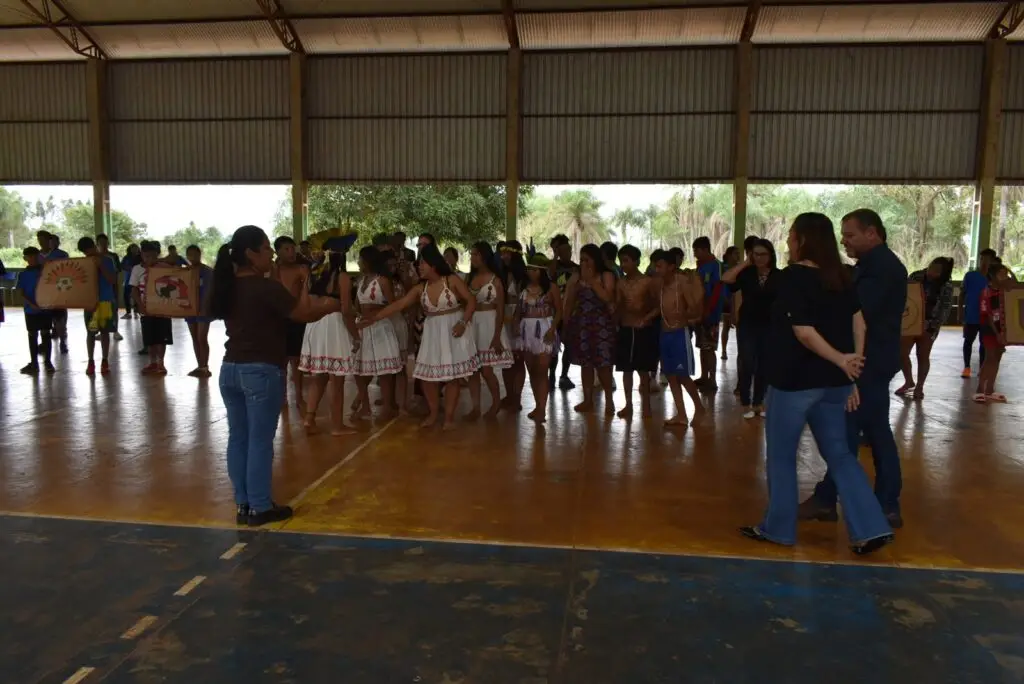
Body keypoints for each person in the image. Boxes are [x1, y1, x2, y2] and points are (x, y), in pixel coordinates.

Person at [740, 212, 894, 555]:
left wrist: (843, 362)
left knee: (781, 457)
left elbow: (804, 332)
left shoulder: (793, 279)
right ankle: (869, 527)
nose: (788, 242)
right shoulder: (842, 276)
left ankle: (778, 529)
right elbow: (859, 325)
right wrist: (849, 368)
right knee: (839, 453)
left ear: (804, 240)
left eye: (792, 236)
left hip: (794, 383)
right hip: (833, 385)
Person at [213, 225, 341, 526]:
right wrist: (330, 306)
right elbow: (302, 314)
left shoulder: (228, 286)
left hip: (230, 369)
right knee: (259, 440)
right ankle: (260, 506)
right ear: (251, 253)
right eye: (266, 247)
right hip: (259, 370)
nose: (271, 252)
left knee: (239, 438)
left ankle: (244, 503)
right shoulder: (265, 288)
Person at [800, 208, 908, 529]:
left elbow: (857, 313)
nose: (844, 241)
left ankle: (881, 502)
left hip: (868, 363)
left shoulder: (882, 268)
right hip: (867, 361)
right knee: (864, 431)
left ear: (872, 233)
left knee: (860, 431)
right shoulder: (870, 266)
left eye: (850, 235)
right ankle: (844, 499)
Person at [359, 243, 480, 430]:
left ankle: (448, 417)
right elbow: (399, 305)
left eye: (422, 264)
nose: (419, 267)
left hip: (453, 330)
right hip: (431, 331)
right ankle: (433, 414)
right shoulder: (419, 288)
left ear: (433, 264)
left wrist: (463, 322)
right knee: (426, 377)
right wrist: (375, 317)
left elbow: (471, 300)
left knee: (453, 378)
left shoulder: (452, 280)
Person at [299, 248, 359, 435]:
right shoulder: (342, 277)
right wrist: (355, 335)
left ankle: (309, 418)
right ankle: (336, 425)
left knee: (319, 376)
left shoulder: (315, 274)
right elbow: (347, 310)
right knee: (337, 379)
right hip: (333, 324)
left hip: (314, 323)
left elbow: (305, 303)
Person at [722, 239, 780, 419]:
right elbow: (726, 279)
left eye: (764, 254)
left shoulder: (779, 275)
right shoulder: (746, 274)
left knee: (764, 363)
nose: (760, 258)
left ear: (771, 255)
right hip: (747, 323)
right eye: (756, 254)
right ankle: (745, 402)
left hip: (769, 325)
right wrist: (746, 263)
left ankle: (758, 402)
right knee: (747, 361)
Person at [564, 243, 617, 415]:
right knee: (585, 364)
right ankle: (587, 400)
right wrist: (566, 323)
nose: (583, 263)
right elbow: (569, 301)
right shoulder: (576, 277)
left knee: (603, 365)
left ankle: (609, 400)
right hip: (581, 324)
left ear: (595, 260)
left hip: (602, 325)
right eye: (581, 260)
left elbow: (607, 297)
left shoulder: (606, 275)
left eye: (587, 259)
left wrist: (593, 281)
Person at [653, 250, 704, 427]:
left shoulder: (681, 282)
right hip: (665, 334)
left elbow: (694, 307)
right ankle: (681, 415)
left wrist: (687, 318)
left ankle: (699, 408)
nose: (656, 269)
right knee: (671, 376)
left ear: (671, 267)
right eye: (655, 266)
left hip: (679, 335)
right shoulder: (660, 284)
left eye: (660, 266)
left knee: (683, 376)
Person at [353, 246, 405, 419]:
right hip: (363, 327)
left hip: (381, 326)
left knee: (384, 371)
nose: (358, 262)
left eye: (360, 259)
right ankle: (365, 407)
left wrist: (376, 312)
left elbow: (393, 305)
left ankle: (388, 407)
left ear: (368, 260)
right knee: (359, 370)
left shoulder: (383, 280)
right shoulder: (361, 280)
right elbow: (356, 305)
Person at [465, 242, 514, 419]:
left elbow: (500, 310)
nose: (472, 258)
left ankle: (496, 402)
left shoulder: (496, 280)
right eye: (471, 255)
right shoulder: (469, 278)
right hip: (473, 323)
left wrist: (496, 336)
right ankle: (475, 407)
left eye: (476, 254)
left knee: (486, 370)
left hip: (489, 323)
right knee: (472, 370)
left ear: (484, 256)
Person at [512, 254, 563, 423]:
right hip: (526, 331)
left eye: (534, 269)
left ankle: (542, 408)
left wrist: (552, 328)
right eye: (529, 269)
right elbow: (518, 311)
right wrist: (515, 326)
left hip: (544, 329)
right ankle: (538, 406)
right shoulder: (523, 287)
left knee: (542, 370)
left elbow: (559, 311)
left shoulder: (552, 288)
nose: (530, 272)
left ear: (541, 271)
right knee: (532, 369)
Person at [896, 256, 954, 400]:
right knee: (902, 353)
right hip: (911, 321)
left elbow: (945, 309)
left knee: (922, 356)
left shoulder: (946, 286)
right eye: (931, 267)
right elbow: (905, 296)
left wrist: (933, 326)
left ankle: (919, 387)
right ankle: (908, 380)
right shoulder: (916, 276)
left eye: (936, 270)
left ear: (943, 273)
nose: (931, 272)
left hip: (930, 326)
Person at [614, 244, 659, 418]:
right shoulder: (620, 282)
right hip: (625, 328)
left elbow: (657, 306)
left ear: (637, 261)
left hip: (643, 330)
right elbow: (618, 306)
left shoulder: (648, 282)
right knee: (626, 370)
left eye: (626, 261)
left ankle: (646, 406)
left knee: (643, 370)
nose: (623, 265)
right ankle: (628, 404)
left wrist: (645, 319)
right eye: (621, 261)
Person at [273, 236, 309, 408]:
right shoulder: (273, 270)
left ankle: (299, 397)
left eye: (292, 248)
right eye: (286, 249)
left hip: (296, 317)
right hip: (277, 318)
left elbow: (307, 294)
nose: (291, 252)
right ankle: (282, 396)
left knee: (296, 360)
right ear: (277, 252)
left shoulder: (302, 269)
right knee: (280, 360)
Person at [974, 261, 1014, 404]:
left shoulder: (1004, 291)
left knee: (997, 357)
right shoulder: (986, 292)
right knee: (990, 358)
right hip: (989, 329)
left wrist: (1009, 271)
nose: (1005, 277)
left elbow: (1016, 285)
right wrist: (997, 333)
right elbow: (989, 315)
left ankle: (990, 389)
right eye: (1001, 274)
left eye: (1006, 274)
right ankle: (979, 389)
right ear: (992, 276)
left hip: (1002, 329)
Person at [131, 241, 173, 375]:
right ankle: (152, 362)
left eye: (153, 256)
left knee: (162, 337)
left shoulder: (164, 268)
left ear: (157, 255)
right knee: (149, 338)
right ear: (142, 255)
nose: (150, 259)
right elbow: (134, 290)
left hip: (163, 310)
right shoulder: (137, 269)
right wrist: (140, 306)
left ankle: (161, 363)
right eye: (147, 256)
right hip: (146, 310)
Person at [77, 237, 117, 376]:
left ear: (94, 246)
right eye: (85, 252)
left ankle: (105, 360)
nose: (89, 254)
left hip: (105, 302)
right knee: (91, 332)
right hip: (90, 303)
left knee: (105, 332)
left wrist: (101, 266)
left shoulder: (107, 260)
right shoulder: (83, 263)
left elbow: (112, 280)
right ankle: (90, 361)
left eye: (90, 250)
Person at [499, 240, 528, 411]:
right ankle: (509, 395)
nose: (503, 256)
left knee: (517, 360)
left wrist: (518, 317)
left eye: (507, 253)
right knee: (506, 360)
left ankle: (516, 397)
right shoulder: (501, 274)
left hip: (518, 319)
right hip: (504, 318)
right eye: (502, 253)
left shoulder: (522, 276)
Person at [692, 236, 724, 390]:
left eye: (697, 251)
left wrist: (708, 310)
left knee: (709, 348)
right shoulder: (700, 266)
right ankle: (704, 376)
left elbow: (717, 289)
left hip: (711, 314)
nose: (695, 254)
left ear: (705, 249)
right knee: (703, 347)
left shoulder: (716, 266)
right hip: (700, 314)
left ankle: (712, 380)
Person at [16, 246, 54, 375]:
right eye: (29, 257)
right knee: (32, 336)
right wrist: (31, 304)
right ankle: (34, 363)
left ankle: (48, 362)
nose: (32, 259)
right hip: (30, 310)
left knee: (46, 335)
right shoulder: (23, 274)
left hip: (45, 309)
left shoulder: (45, 272)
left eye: (35, 256)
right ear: (25, 258)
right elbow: (21, 293)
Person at [960, 248, 996, 378]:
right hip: (971, 314)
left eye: (987, 259)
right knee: (968, 341)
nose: (984, 262)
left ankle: (982, 368)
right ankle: (967, 367)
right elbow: (962, 293)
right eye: (982, 259)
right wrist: (960, 311)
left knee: (984, 343)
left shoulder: (994, 278)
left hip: (987, 317)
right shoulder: (970, 276)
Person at [548, 234, 578, 391]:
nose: (566, 253)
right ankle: (551, 374)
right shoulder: (553, 266)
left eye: (568, 250)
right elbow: (549, 275)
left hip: (572, 313)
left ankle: (564, 375)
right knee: (554, 345)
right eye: (561, 250)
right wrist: (555, 257)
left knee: (569, 345)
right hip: (554, 312)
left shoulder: (576, 268)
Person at [184, 245, 214, 378]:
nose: (192, 257)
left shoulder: (207, 271)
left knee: (202, 337)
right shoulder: (186, 271)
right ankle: (199, 365)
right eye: (189, 255)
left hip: (203, 309)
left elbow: (210, 291)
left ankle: (205, 366)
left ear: (199, 254)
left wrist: (205, 307)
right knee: (194, 337)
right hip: (190, 309)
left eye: (194, 254)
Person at [39, 231, 70, 354]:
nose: (41, 242)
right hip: (43, 292)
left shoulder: (61, 255)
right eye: (39, 240)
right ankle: (45, 344)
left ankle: (62, 342)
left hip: (58, 291)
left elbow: (67, 270)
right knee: (43, 320)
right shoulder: (37, 255)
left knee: (59, 319)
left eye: (43, 240)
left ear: (50, 240)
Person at [95, 234, 123, 341]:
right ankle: (102, 331)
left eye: (105, 242)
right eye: (101, 243)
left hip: (112, 286)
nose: (103, 245)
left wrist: (116, 288)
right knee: (99, 311)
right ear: (97, 244)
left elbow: (117, 273)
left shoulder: (113, 256)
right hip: (98, 289)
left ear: (108, 243)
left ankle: (115, 331)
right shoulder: (94, 257)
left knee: (114, 309)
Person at [719, 246, 741, 361]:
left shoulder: (740, 268)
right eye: (735, 253)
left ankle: (740, 352)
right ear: (728, 255)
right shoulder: (723, 268)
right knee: (726, 326)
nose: (738, 256)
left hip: (737, 300)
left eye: (738, 253)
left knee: (739, 327)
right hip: (726, 300)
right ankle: (723, 350)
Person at [121, 244, 141, 319]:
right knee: (126, 296)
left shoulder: (140, 257)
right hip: (128, 280)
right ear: (130, 249)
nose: (134, 249)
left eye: (135, 248)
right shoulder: (126, 257)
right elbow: (121, 265)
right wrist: (128, 268)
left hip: (137, 280)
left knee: (137, 295)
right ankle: (128, 312)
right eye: (132, 248)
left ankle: (137, 311)